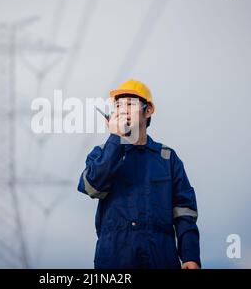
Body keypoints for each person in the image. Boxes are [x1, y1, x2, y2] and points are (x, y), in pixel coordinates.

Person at [78, 79, 201, 269]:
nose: (122, 109)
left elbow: (184, 211)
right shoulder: (102, 153)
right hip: (115, 259)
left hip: (161, 258)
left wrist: (190, 256)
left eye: (130, 104)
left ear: (148, 110)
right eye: (118, 105)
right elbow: (92, 188)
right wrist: (115, 139)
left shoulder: (167, 158)